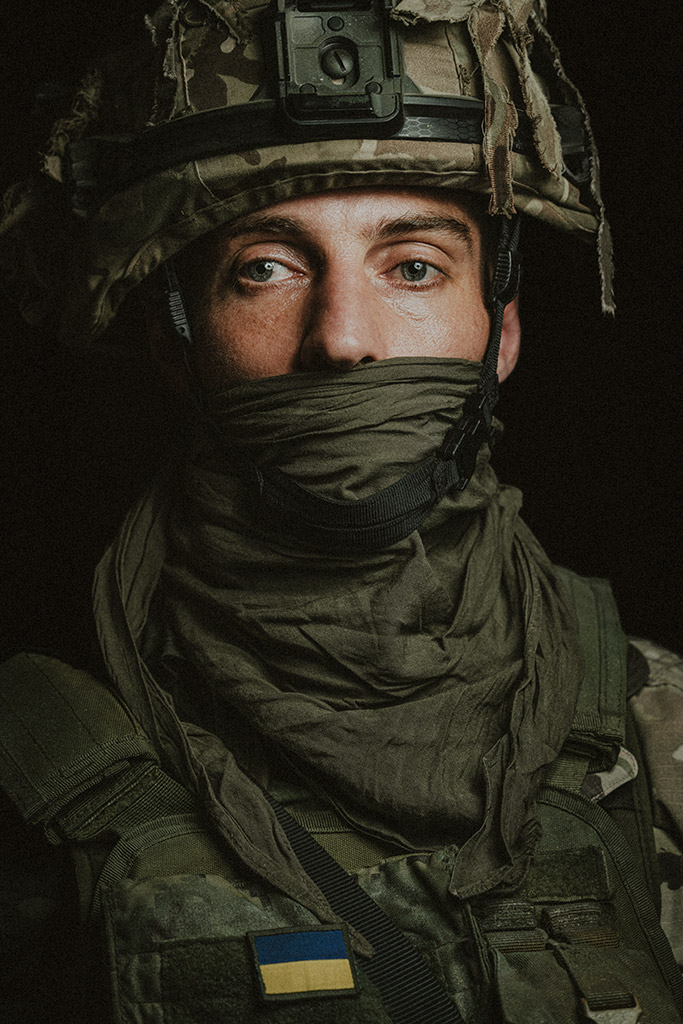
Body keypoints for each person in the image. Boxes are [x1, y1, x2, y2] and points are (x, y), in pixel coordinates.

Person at [1, 1, 682, 1021]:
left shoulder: (659, 727)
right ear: (173, 339)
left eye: (412, 265)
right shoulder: (31, 775)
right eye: (265, 268)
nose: (343, 337)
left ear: (497, 331)